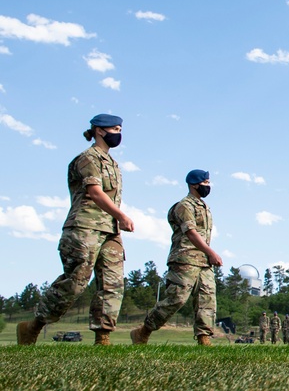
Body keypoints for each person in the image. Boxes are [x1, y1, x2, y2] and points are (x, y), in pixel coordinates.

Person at [18, 114, 134, 346]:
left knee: (112, 284)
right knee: (76, 282)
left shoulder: (113, 164)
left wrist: (116, 221)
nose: (118, 133)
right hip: (84, 227)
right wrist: (121, 215)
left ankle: (103, 337)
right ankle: (34, 326)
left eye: (120, 128)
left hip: (110, 231)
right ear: (99, 131)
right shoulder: (86, 159)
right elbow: (94, 192)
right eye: (114, 128)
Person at [130, 170, 221, 346]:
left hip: (203, 261)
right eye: (205, 182)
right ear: (194, 184)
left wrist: (207, 254)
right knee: (176, 299)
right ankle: (143, 331)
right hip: (184, 259)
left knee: (207, 300)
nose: (208, 186)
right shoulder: (184, 206)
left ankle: (204, 338)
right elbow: (191, 233)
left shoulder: (204, 207)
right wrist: (211, 252)